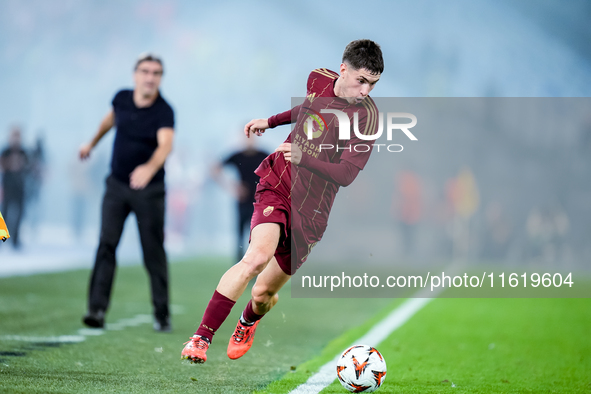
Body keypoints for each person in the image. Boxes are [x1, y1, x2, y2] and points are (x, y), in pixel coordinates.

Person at [182, 39, 384, 363]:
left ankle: (248, 320)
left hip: (313, 212)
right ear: (343, 69)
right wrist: (272, 121)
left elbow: (346, 173)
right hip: (280, 182)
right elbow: (308, 107)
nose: (366, 91)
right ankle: (200, 339)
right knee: (255, 259)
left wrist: (305, 156)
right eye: (361, 80)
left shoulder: (368, 119)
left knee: (263, 294)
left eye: (373, 84)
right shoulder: (318, 78)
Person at [79, 53, 175, 332]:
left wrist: (149, 168)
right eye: (145, 71)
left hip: (150, 191)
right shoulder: (121, 98)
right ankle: (96, 310)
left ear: (160, 78)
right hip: (117, 185)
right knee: (106, 244)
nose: (150, 77)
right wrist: (91, 143)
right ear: (135, 75)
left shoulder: (164, 110)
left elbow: (165, 145)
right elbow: (109, 122)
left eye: (156, 73)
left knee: (152, 251)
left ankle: (161, 314)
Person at [212, 137, 268, 262]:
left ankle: (257, 263)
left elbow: (279, 171)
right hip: (243, 202)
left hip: (260, 203)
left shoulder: (263, 156)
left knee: (258, 235)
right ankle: (239, 265)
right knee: (240, 236)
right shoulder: (238, 156)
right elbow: (215, 169)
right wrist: (231, 187)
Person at [0, 127, 28, 249]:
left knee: (19, 214)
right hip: (7, 187)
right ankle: (2, 239)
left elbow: (29, 167)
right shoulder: (5, 151)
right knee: (4, 214)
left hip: (20, 188)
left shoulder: (24, 152)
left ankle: (15, 240)